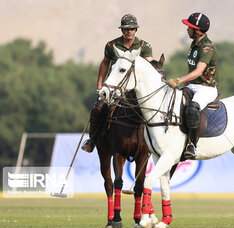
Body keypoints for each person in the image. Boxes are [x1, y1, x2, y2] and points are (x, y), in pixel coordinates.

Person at [82, 14, 153, 153]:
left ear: (136, 30)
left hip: (136, 89)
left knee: (153, 111)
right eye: (126, 29)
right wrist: (100, 86)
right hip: (114, 88)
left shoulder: (145, 46)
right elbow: (104, 64)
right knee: (98, 108)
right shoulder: (111, 45)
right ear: (122, 30)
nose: (129, 31)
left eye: (132, 29)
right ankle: (92, 140)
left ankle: (154, 142)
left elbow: (150, 68)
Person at [167, 12, 219, 159]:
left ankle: (192, 144)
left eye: (189, 27)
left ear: (197, 30)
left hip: (206, 89)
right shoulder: (194, 43)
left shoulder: (207, 48)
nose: (187, 29)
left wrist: (179, 80)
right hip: (193, 86)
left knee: (191, 109)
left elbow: (198, 71)